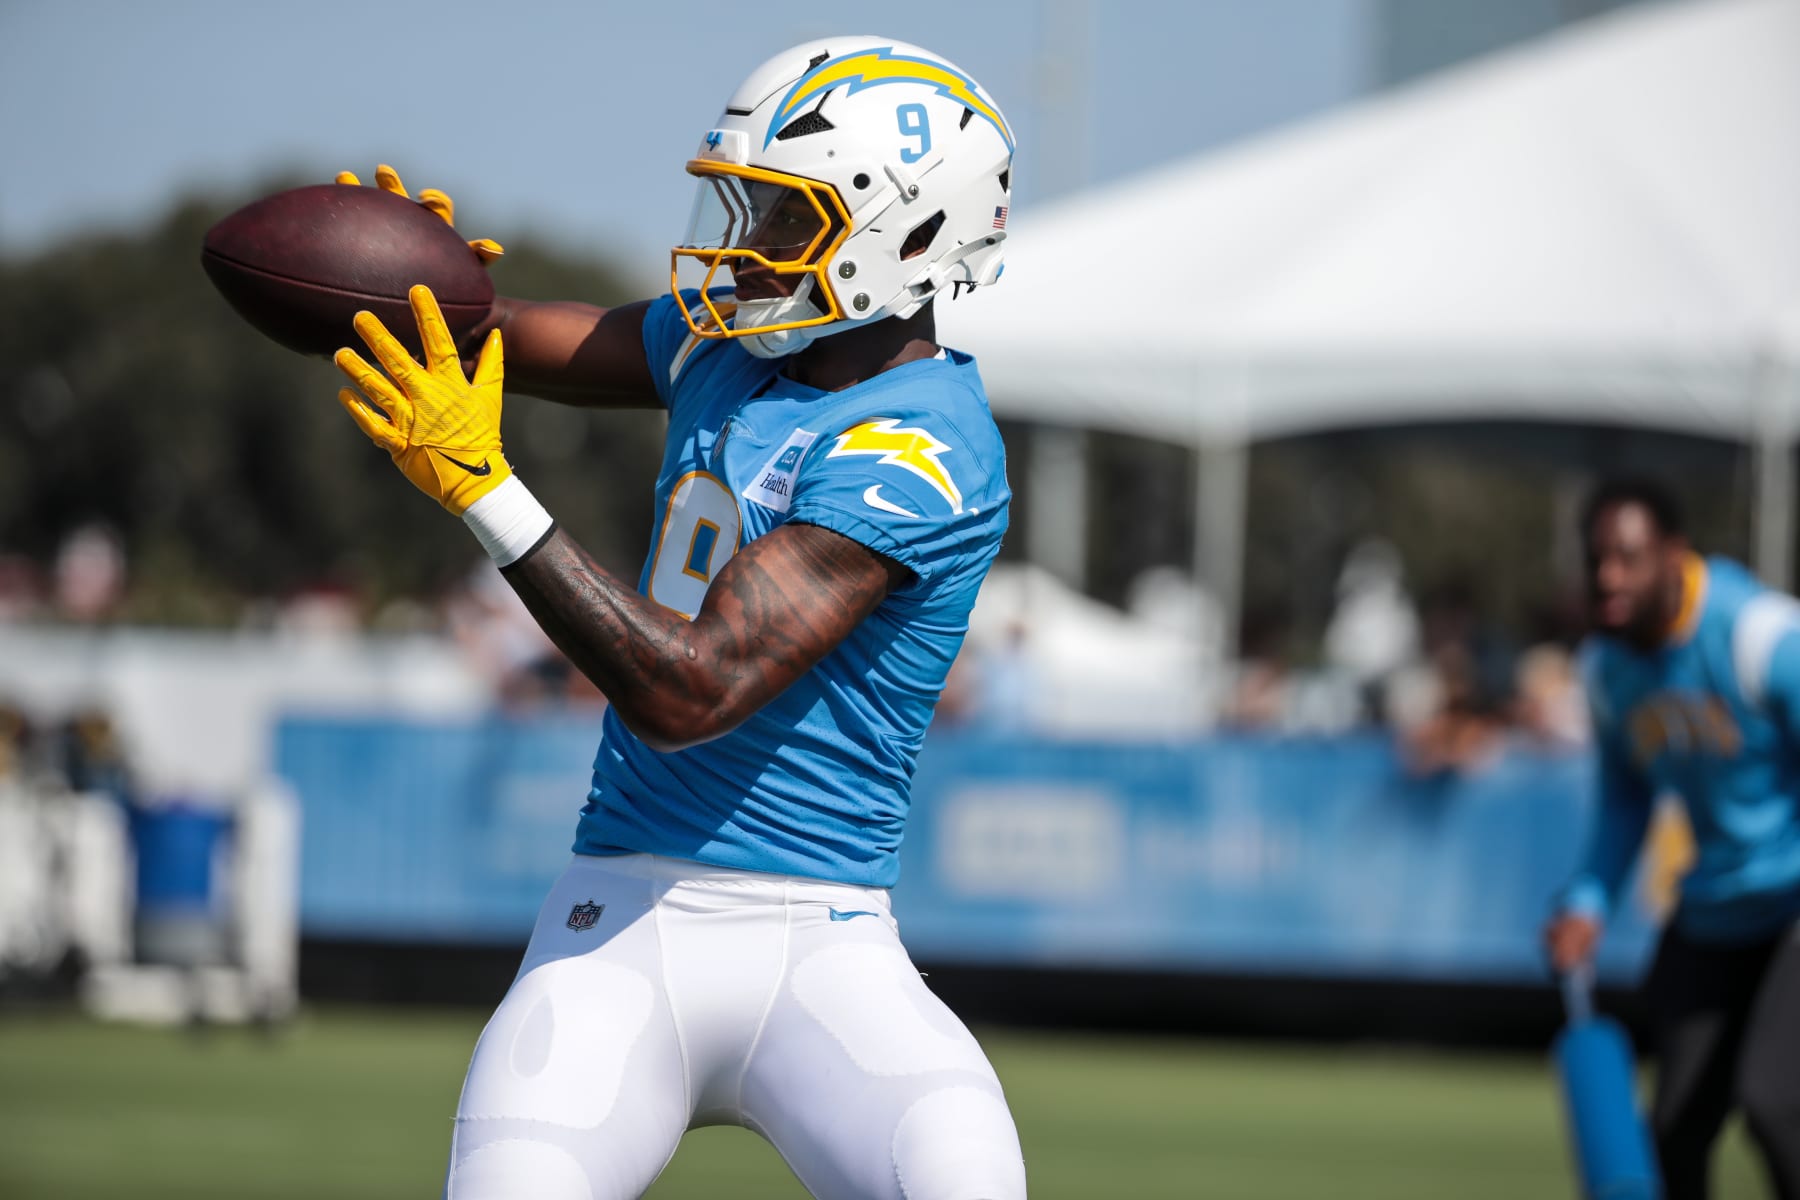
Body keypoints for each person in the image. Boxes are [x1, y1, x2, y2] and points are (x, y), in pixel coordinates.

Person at [328, 37, 1026, 1200]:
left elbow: (690, 690)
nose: (743, 247)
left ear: (907, 237)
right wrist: (401, 285)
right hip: (620, 927)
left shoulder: (925, 445)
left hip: (827, 942)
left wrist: (485, 490)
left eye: (785, 218)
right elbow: (495, 336)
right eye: (748, 208)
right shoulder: (726, 349)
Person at [1544, 478, 1800, 1200]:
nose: (1609, 578)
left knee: (1778, 1105)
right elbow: (1626, 799)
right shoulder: (1608, 670)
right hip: (1715, 905)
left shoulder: (1760, 638)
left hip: (1793, 901)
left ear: (1674, 555)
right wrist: (1588, 901)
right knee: (1674, 1133)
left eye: (1628, 558)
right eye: (1597, 560)